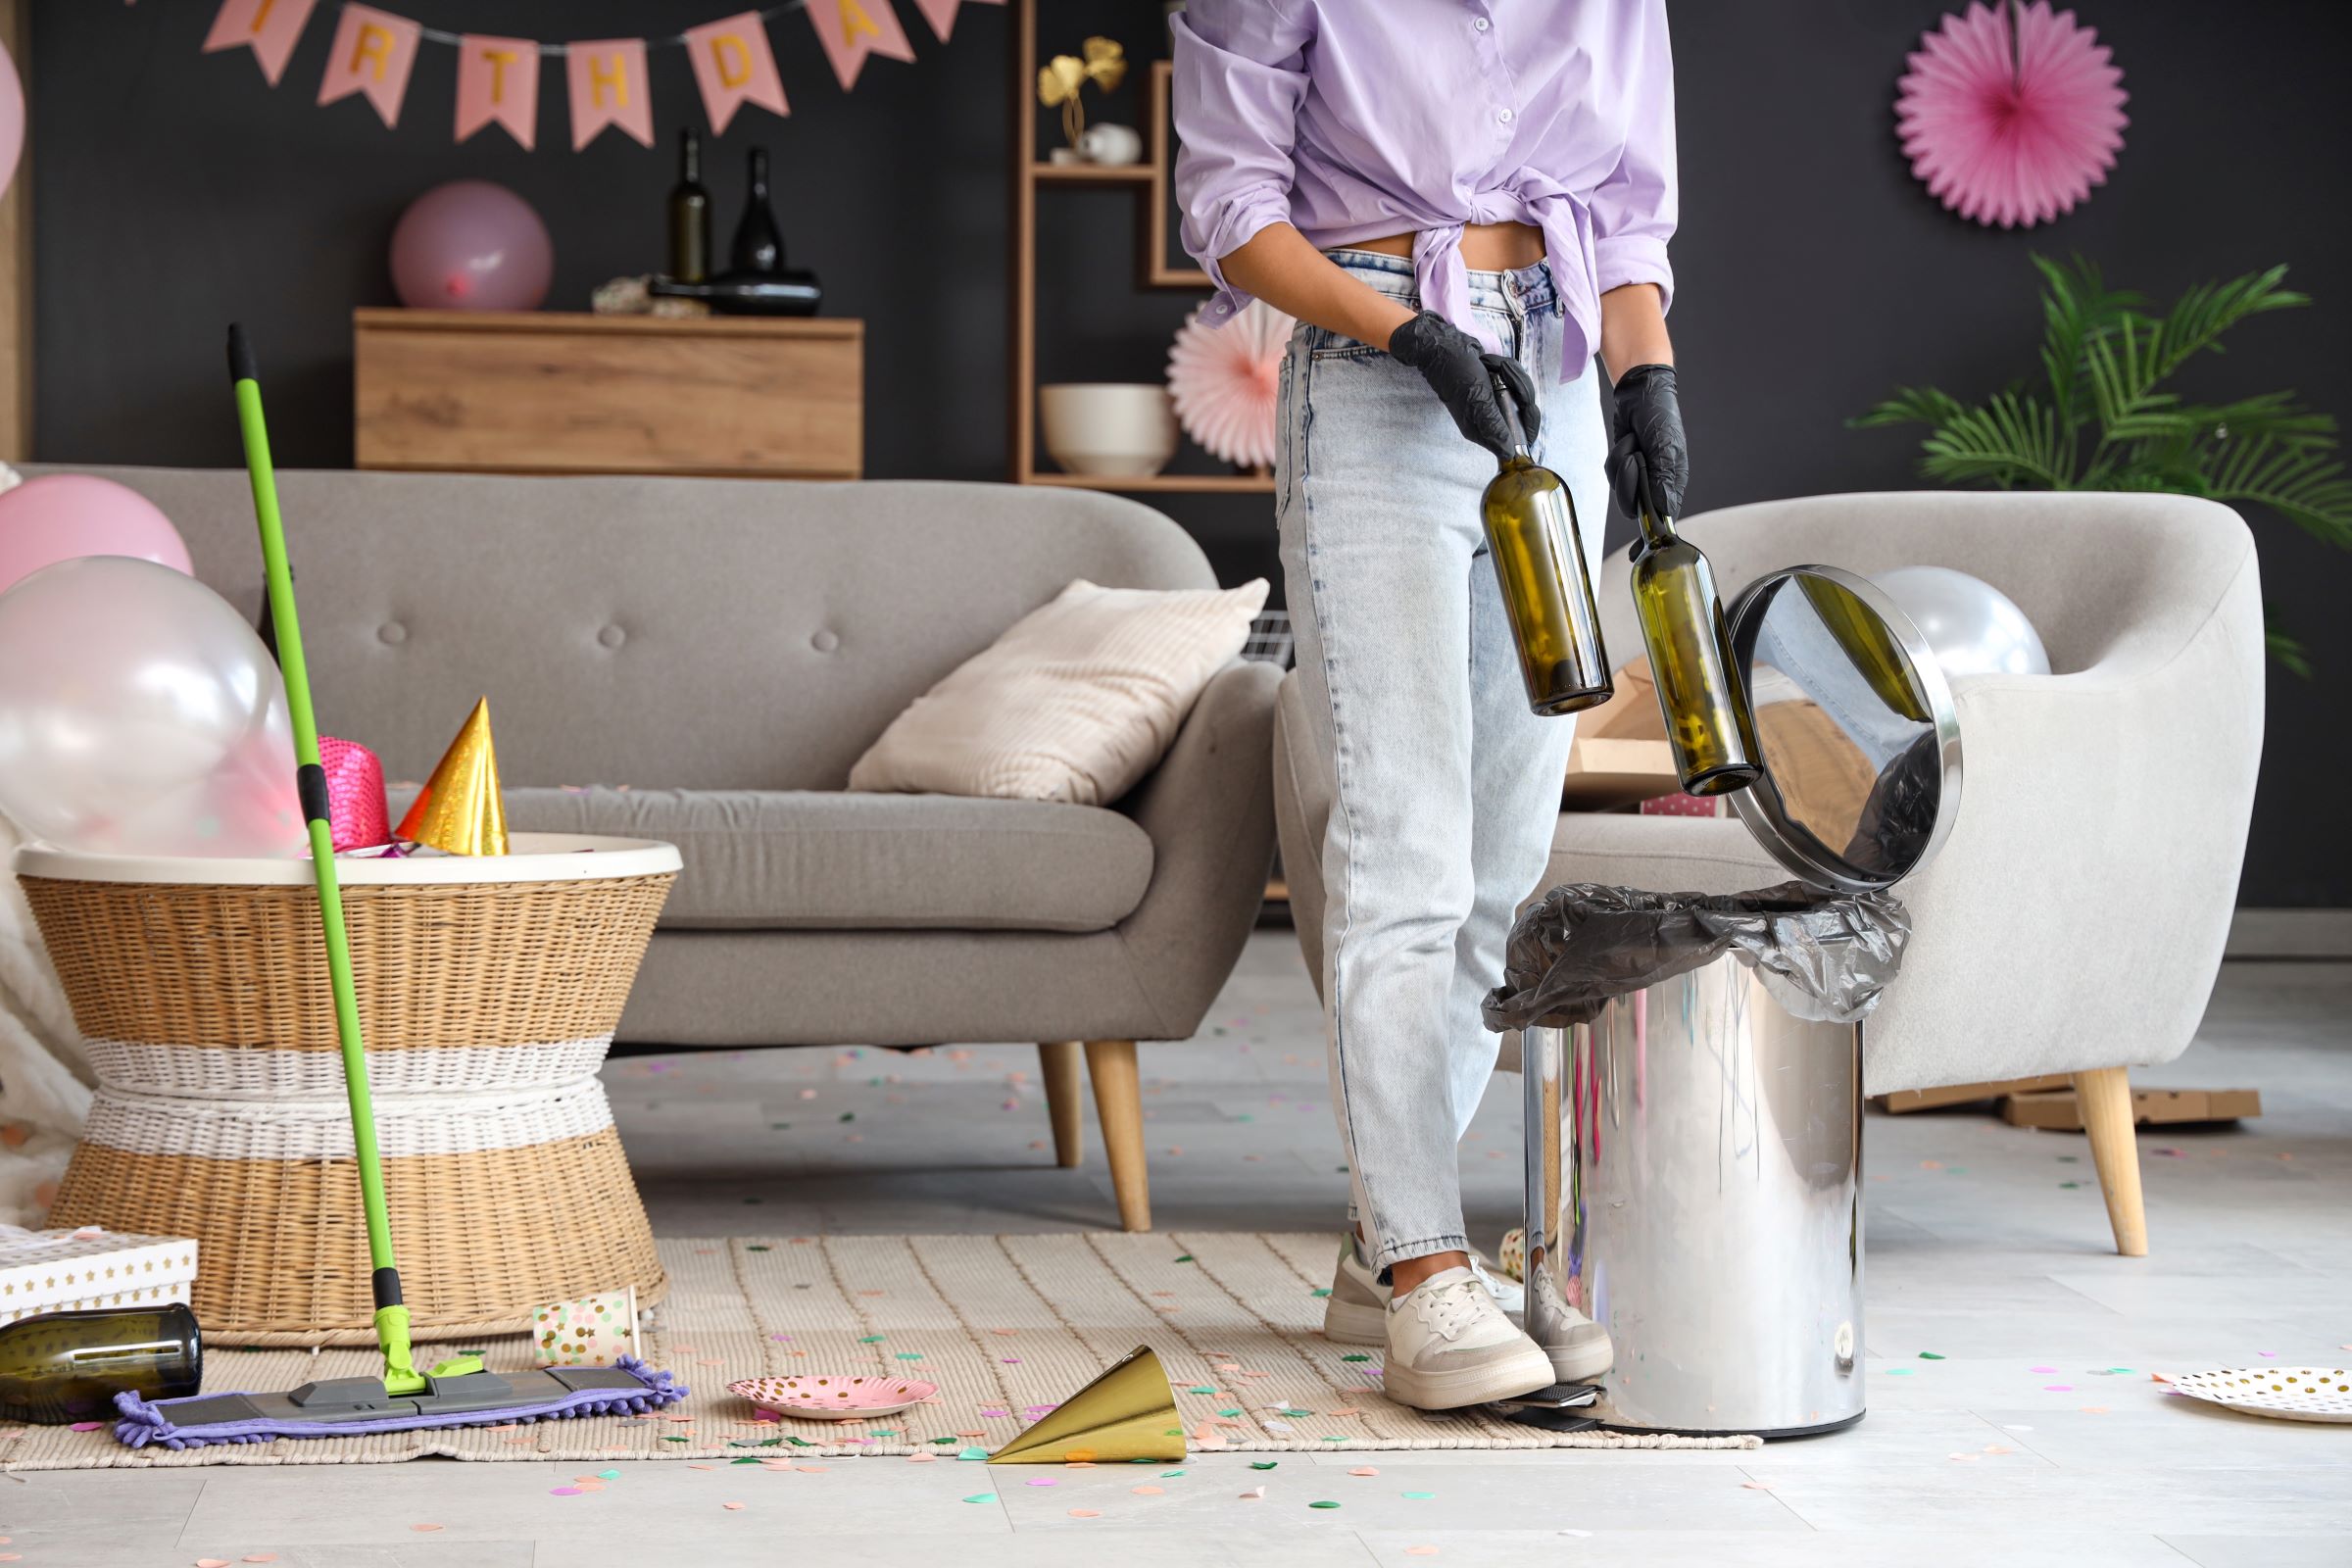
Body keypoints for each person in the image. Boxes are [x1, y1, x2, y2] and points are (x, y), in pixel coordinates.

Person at [1172, 0, 1690, 1412]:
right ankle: (1424, 1270)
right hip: (1375, 374)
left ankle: (1378, 1243)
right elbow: (1227, 208)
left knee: (1504, 866)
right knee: (1401, 836)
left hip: (1563, 379)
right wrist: (1405, 333)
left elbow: (1628, 213)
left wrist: (1644, 380)